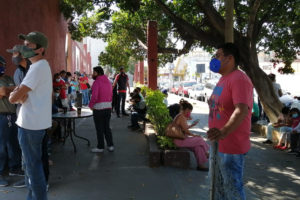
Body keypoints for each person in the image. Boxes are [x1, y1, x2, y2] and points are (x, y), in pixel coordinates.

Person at [207, 43, 253, 200]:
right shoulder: (223, 79)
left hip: (231, 146)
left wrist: (223, 132)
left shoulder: (239, 79)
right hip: (218, 143)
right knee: (219, 186)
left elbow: (241, 110)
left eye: (218, 55)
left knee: (232, 188)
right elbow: (223, 106)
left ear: (230, 58)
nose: (215, 59)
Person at [9, 31, 52, 200]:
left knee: (33, 169)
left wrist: (16, 94)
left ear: (40, 49)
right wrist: (19, 95)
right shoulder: (40, 67)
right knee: (30, 168)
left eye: (29, 45)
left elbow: (14, 98)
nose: (24, 48)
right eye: (24, 44)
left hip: (30, 126)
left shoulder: (38, 67)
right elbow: (22, 96)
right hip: (35, 124)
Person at [0, 56, 23, 187]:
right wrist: (10, 89)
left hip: (13, 115)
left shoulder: (8, 78)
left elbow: (18, 89)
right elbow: (4, 91)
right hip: (1, 116)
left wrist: (7, 90)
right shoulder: (8, 81)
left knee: (14, 143)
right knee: (1, 147)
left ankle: (15, 168)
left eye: (2, 64)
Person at [172, 99, 209, 171]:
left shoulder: (181, 116)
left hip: (180, 140)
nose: (189, 113)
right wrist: (195, 136)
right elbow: (186, 131)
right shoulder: (181, 117)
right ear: (186, 110)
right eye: (189, 111)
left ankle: (200, 165)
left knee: (198, 147)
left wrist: (192, 125)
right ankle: (206, 153)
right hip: (180, 140)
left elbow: (184, 129)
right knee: (200, 139)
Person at [89, 66, 114, 153]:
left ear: (98, 73)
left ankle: (100, 147)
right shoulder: (108, 81)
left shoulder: (97, 82)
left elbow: (94, 96)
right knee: (107, 127)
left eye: (94, 72)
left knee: (99, 128)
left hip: (98, 108)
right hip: (108, 107)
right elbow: (111, 94)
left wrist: (91, 105)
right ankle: (110, 145)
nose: (93, 74)